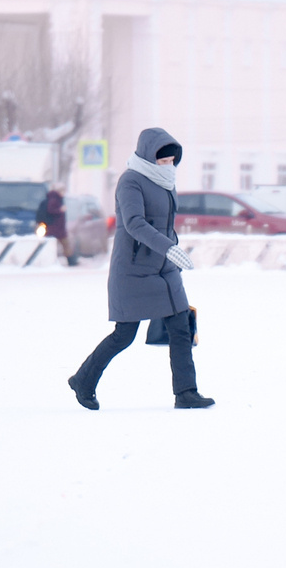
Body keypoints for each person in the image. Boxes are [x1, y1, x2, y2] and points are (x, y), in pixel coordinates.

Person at [67, 127, 214, 410]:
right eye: (163, 160)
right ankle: (83, 380)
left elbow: (166, 224)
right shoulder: (131, 181)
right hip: (133, 269)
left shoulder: (166, 181)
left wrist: (172, 250)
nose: (168, 165)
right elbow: (135, 223)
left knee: (181, 326)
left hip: (164, 268)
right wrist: (168, 248)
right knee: (124, 335)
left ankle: (186, 392)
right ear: (148, 156)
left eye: (171, 160)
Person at [44, 183, 78, 267]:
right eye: (63, 191)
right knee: (64, 245)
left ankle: (69, 261)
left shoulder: (56, 198)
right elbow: (51, 210)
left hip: (57, 228)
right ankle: (71, 261)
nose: (64, 193)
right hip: (56, 228)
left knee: (62, 245)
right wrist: (60, 210)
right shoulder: (55, 199)